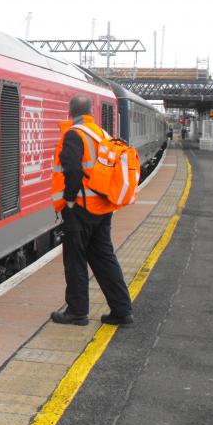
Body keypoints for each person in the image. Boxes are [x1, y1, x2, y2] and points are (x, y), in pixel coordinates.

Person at [50, 95, 133, 326]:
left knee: (75, 259)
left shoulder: (73, 134)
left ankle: (77, 311)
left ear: (70, 112)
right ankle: (122, 310)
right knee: (104, 258)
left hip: (81, 208)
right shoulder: (101, 134)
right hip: (104, 207)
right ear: (90, 113)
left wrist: (68, 200)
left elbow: (72, 170)